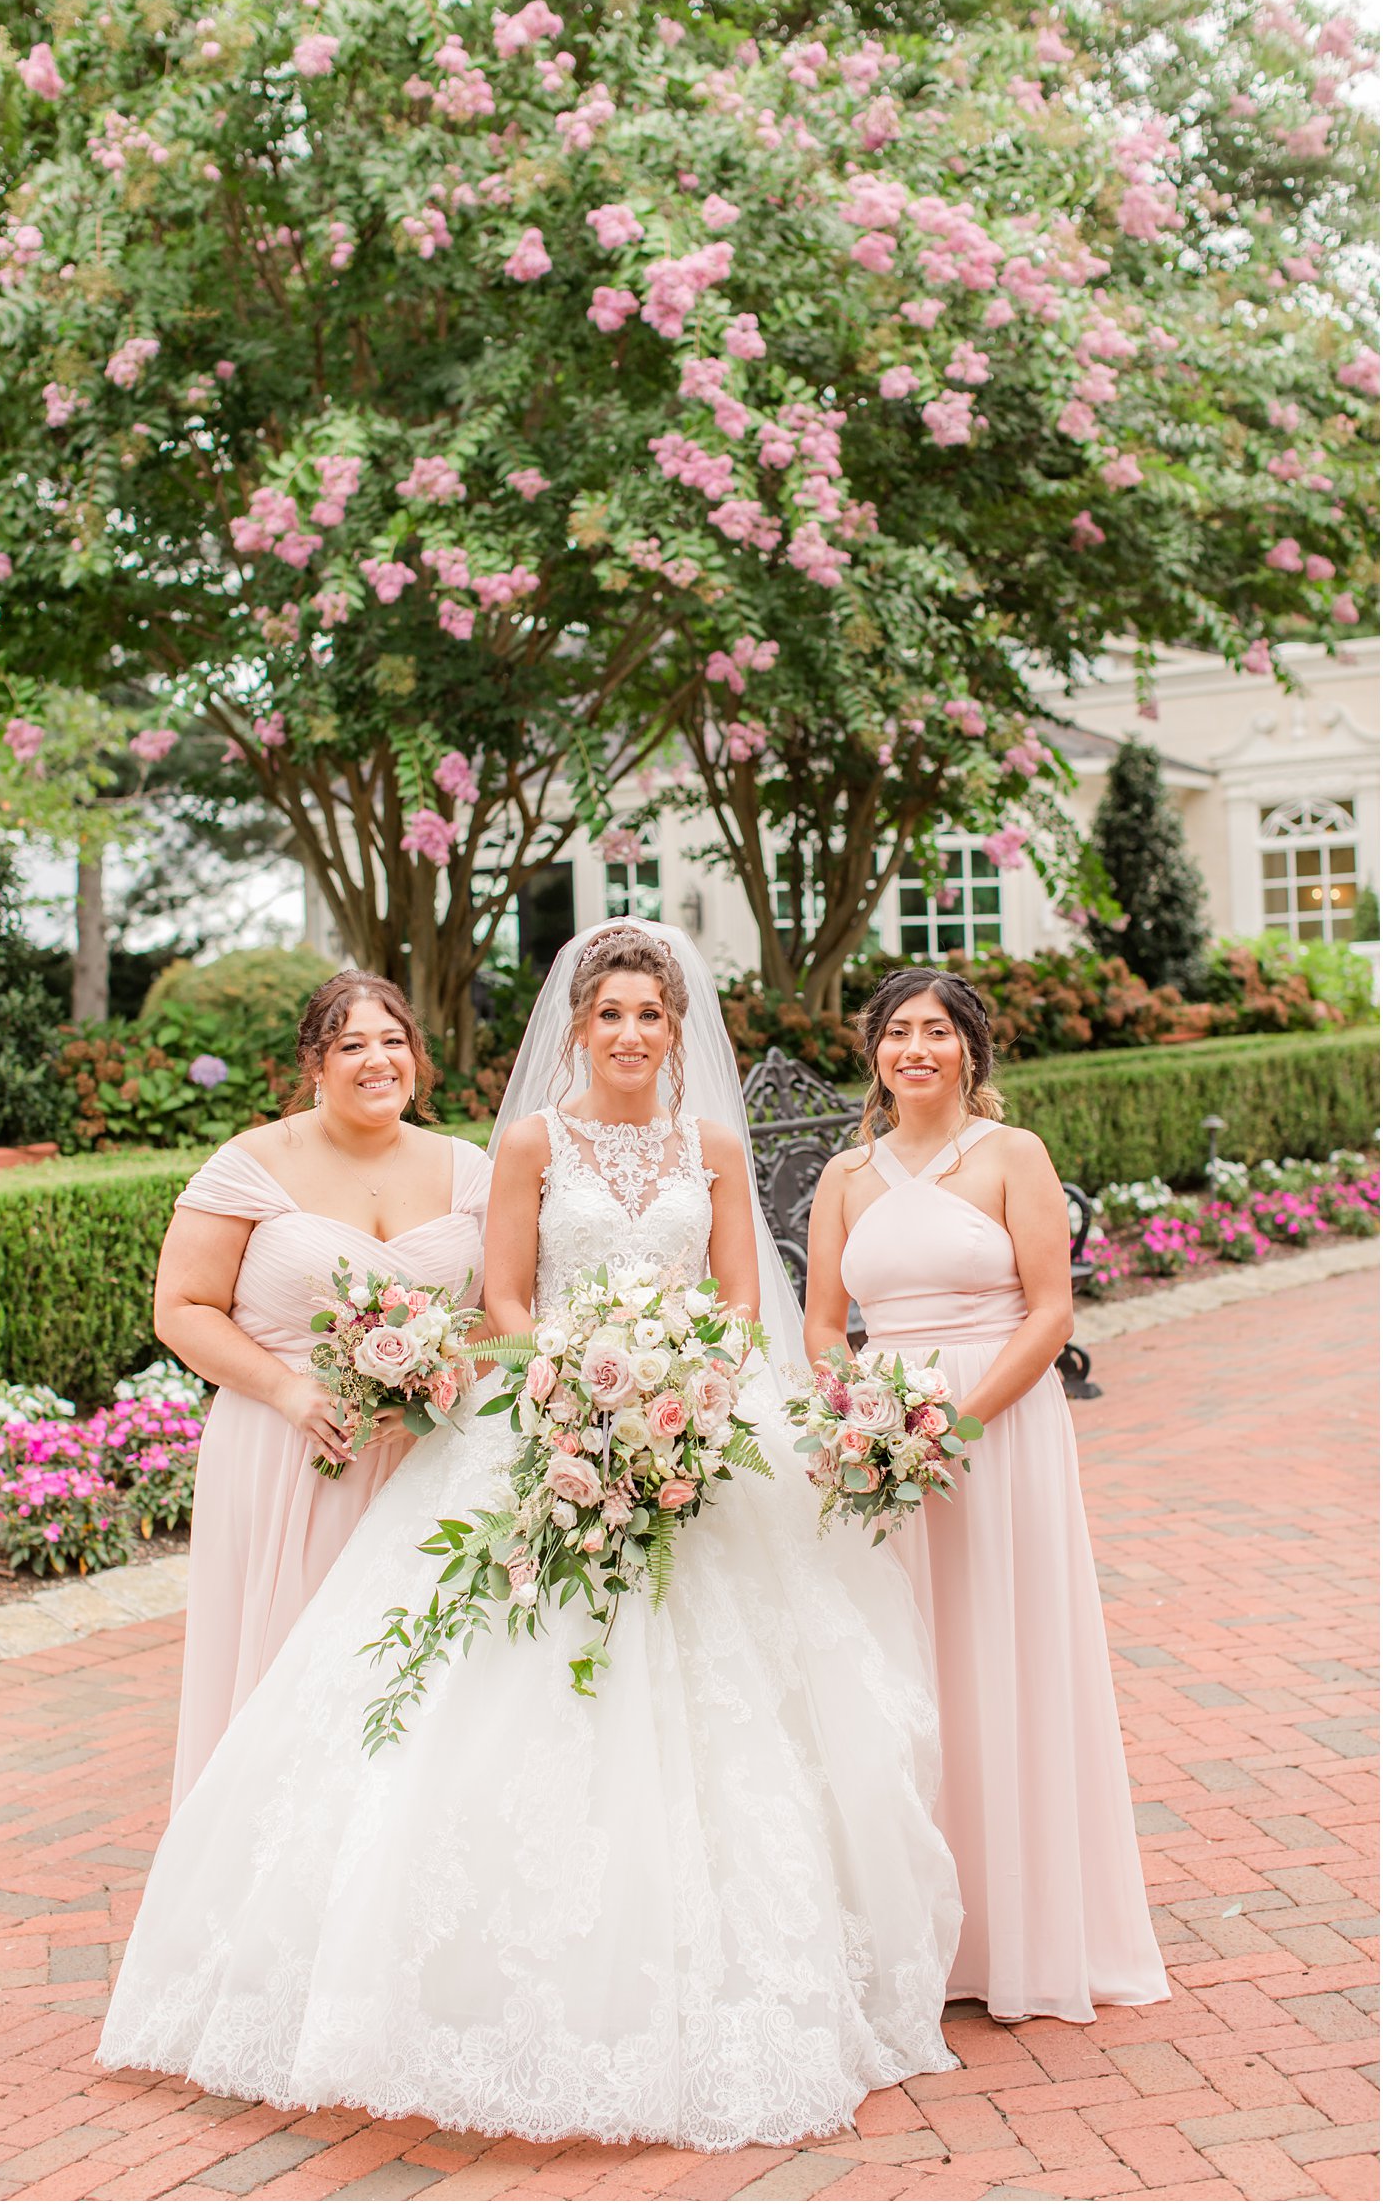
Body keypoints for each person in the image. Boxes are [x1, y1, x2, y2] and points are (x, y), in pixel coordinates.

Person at [99, 922, 961, 2151]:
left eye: (646, 1017)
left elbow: (734, 1301)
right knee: (462, 1687)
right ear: (575, 1028)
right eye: (604, 1015)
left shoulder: (712, 1146)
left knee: (737, 1714)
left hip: (691, 1434)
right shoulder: (525, 1144)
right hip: (544, 1425)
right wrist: (573, 1380)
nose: (626, 1035)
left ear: (675, 1030)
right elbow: (503, 1295)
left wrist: (685, 1387)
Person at [803, 966, 1167, 2024]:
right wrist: (864, 1415)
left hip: (995, 1433)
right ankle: (917, 1927)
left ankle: (1022, 1931)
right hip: (881, 1445)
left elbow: (1048, 1314)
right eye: (896, 1033)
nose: (915, 1050)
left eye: (935, 1033)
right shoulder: (842, 1177)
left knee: (1002, 1654)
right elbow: (824, 1320)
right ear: (873, 1051)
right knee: (901, 1662)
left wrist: (951, 1430)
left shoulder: (1012, 1157)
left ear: (969, 1049)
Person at [154, 969, 491, 1811]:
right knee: (289, 1663)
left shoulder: (469, 1170)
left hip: (427, 1456)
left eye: (393, 1041)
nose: (377, 1060)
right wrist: (289, 1389)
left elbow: (504, 1314)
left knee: (412, 1676)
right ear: (315, 1060)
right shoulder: (252, 1164)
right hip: (288, 1451)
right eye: (352, 1045)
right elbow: (181, 1308)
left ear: (416, 1057)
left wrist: (444, 1368)